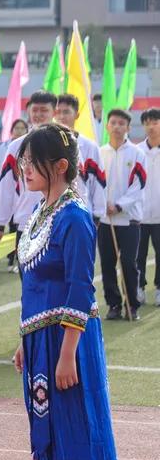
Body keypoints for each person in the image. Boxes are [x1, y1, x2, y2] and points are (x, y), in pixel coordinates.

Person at [10, 123, 126, 460]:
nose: (23, 168)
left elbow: (80, 288)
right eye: (23, 160)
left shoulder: (75, 217)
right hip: (41, 340)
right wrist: (26, 340)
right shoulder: (42, 212)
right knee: (50, 431)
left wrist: (66, 353)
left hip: (67, 341)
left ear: (60, 166)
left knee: (74, 428)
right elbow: (34, 289)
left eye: (32, 161)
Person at [0, 91, 58, 261]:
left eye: (44, 110)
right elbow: (6, 187)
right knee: (28, 274)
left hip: (59, 221)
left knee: (58, 274)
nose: (38, 114)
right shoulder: (16, 147)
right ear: (28, 112)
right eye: (35, 110)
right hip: (27, 222)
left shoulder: (66, 144)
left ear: (54, 112)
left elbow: (78, 184)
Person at [98, 109, 147, 321]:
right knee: (107, 264)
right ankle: (114, 304)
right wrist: (102, 205)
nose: (117, 126)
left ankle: (132, 305)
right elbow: (95, 184)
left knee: (128, 263)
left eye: (121, 123)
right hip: (105, 220)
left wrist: (119, 206)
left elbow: (139, 185)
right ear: (107, 126)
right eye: (113, 123)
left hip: (129, 220)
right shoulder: (100, 153)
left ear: (128, 127)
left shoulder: (137, 154)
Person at [55, 95, 106, 220]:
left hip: (81, 213)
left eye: (66, 112)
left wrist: (98, 214)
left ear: (76, 115)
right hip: (53, 214)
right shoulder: (48, 144)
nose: (61, 116)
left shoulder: (90, 147)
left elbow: (99, 182)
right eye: (58, 112)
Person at [137, 108, 160, 307]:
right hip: (140, 215)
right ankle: (139, 287)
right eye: (147, 123)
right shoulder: (137, 151)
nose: (151, 126)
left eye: (155, 122)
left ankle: (159, 288)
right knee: (139, 255)